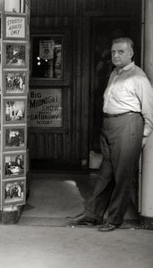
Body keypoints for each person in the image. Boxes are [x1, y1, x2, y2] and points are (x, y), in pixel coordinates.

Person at [68, 37, 153, 232]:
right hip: (110, 125)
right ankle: (93, 215)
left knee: (122, 176)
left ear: (131, 53)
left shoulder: (138, 77)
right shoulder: (115, 73)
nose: (116, 55)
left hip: (128, 126)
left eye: (121, 51)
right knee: (105, 173)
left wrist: (141, 137)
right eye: (114, 52)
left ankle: (114, 220)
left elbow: (150, 112)